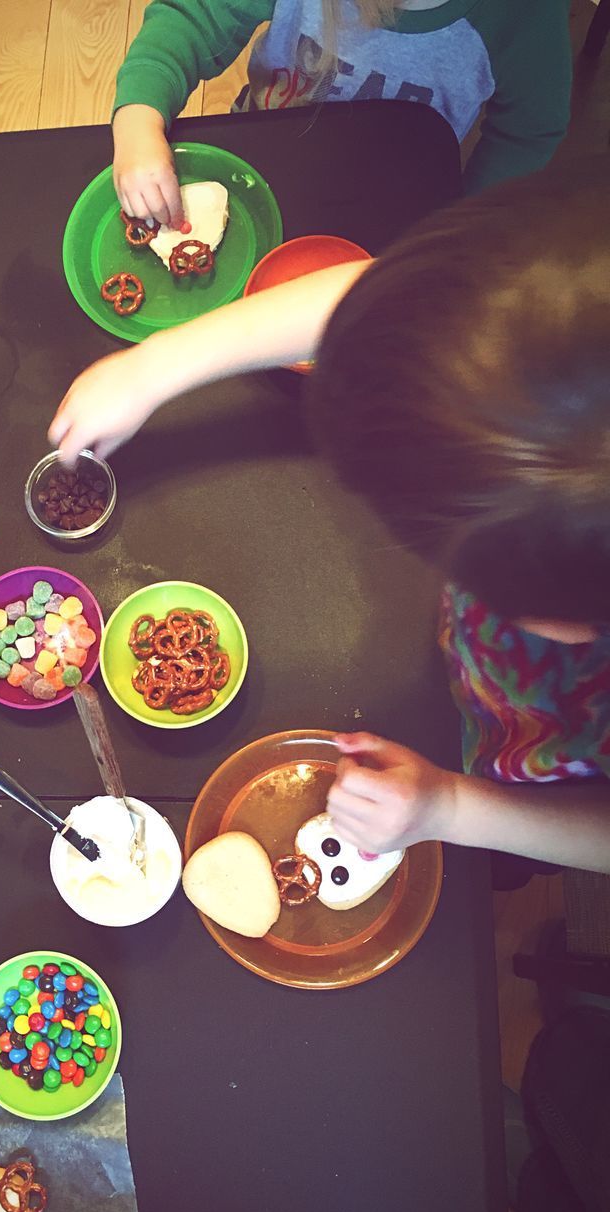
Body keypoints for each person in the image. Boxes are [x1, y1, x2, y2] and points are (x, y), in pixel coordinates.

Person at [48, 163, 610, 877]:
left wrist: (456, 810)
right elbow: (372, 299)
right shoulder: (558, 307)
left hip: (534, 798)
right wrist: (158, 362)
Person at [112, 0, 572, 228]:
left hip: (402, 214)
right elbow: (195, 18)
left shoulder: (525, 15)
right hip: (264, 165)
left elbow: (527, 131)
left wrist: (466, 221)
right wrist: (138, 117)